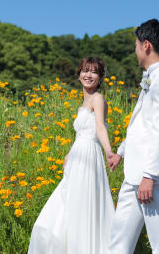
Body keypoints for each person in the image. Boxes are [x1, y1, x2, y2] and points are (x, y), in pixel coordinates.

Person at [28, 57, 115, 254]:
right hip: (77, 157)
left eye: (93, 72)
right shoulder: (82, 104)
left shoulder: (98, 99)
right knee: (66, 207)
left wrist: (109, 151)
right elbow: (81, 133)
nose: (88, 75)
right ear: (78, 75)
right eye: (85, 70)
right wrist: (69, 154)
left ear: (100, 77)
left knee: (83, 206)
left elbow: (100, 128)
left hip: (89, 158)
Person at [108, 19, 159, 254]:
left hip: (151, 177)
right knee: (119, 239)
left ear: (146, 45)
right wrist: (121, 152)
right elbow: (142, 125)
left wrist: (149, 175)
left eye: (137, 44)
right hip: (134, 175)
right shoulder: (152, 77)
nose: (135, 50)